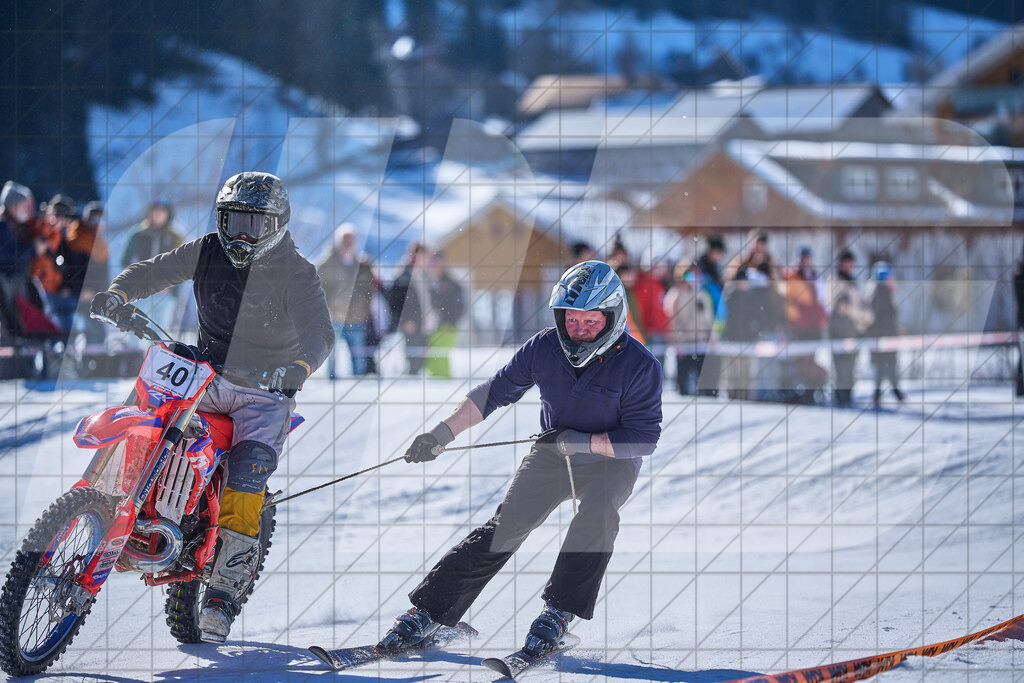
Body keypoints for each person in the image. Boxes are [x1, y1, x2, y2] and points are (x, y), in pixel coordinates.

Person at [90, 171, 334, 642]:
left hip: (266, 389)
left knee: (247, 476)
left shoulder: (297, 271)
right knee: (151, 413)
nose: (242, 233)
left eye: (255, 223)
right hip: (208, 371)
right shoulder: (207, 249)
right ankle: (111, 501)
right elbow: (152, 270)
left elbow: (320, 332)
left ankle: (222, 593)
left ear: (278, 224)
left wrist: (298, 369)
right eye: (234, 219)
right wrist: (119, 293)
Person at [372, 260, 662, 657]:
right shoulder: (544, 346)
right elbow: (493, 393)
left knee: (598, 515)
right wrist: (441, 433)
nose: (578, 331)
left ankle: (557, 614)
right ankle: (428, 611)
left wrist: (581, 442)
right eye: (571, 321)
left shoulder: (640, 365)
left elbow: (642, 439)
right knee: (502, 529)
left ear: (612, 316)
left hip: (610, 460)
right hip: (551, 455)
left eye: (589, 322)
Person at [317, 223, 380, 378]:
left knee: (358, 359)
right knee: (332, 358)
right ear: (338, 241)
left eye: (351, 240)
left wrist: (365, 311)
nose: (348, 244)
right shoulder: (326, 264)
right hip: (333, 318)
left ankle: (357, 388)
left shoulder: (363, 265)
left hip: (357, 318)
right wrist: (325, 310)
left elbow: (371, 290)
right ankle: (332, 387)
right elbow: (318, 290)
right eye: (345, 240)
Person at [122, 198, 185, 334]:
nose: (157, 215)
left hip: (164, 294)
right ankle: (136, 356)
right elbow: (125, 260)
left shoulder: (174, 237)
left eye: (161, 212)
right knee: (134, 330)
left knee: (160, 332)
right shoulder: (138, 233)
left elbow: (182, 267)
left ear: (168, 214)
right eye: (154, 212)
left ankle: (158, 355)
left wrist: (173, 290)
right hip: (139, 292)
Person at [61, 201, 110, 344]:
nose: (98, 223)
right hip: (75, 296)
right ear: (86, 218)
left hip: (94, 297)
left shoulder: (101, 245)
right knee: (77, 333)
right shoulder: (74, 239)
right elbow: (70, 270)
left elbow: (103, 275)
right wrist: (79, 291)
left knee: (98, 333)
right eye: (94, 219)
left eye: (102, 220)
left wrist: (97, 292)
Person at [664, 264, 714, 395]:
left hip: (701, 344)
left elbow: (707, 317)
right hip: (685, 346)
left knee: (705, 383)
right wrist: (677, 343)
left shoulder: (701, 294)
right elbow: (672, 322)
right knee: (684, 383)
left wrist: (712, 337)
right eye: (689, 274)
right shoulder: (675, 296)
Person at [388, 242, 433, 374]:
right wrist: (404, 321)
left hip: (425, 325)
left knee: (423, 361)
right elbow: (395, 303)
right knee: (413, 363)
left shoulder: (425, 275)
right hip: (411, 325)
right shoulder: (403, 276)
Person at [866, 261, 903, 407]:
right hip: (882, 338)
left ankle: (888, 393)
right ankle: (889, 393)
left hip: (886, 337)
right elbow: (881, 318)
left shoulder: (884, 292)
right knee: (884, 366)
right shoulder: (880, 293)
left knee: (885, 367)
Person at [423, 251, 465, 378]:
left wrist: (450, 323)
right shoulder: (430, 282)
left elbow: (460, 306)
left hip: (447, 327)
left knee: (441, 356)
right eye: (433, 263)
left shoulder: (452, 283)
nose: (435, 266)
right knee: (432, 358)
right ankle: (437, 380)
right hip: (433, 326)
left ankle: (443, 381)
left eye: (437, 263)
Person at [828, 294, 858, 406]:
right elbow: (832, 335)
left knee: (849, 375)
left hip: (850, 354)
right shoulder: (833, 319)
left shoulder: (849, 319)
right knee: (841, 375)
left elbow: (854, 333)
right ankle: (840, 397)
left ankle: (848, 397)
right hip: (839, 354)